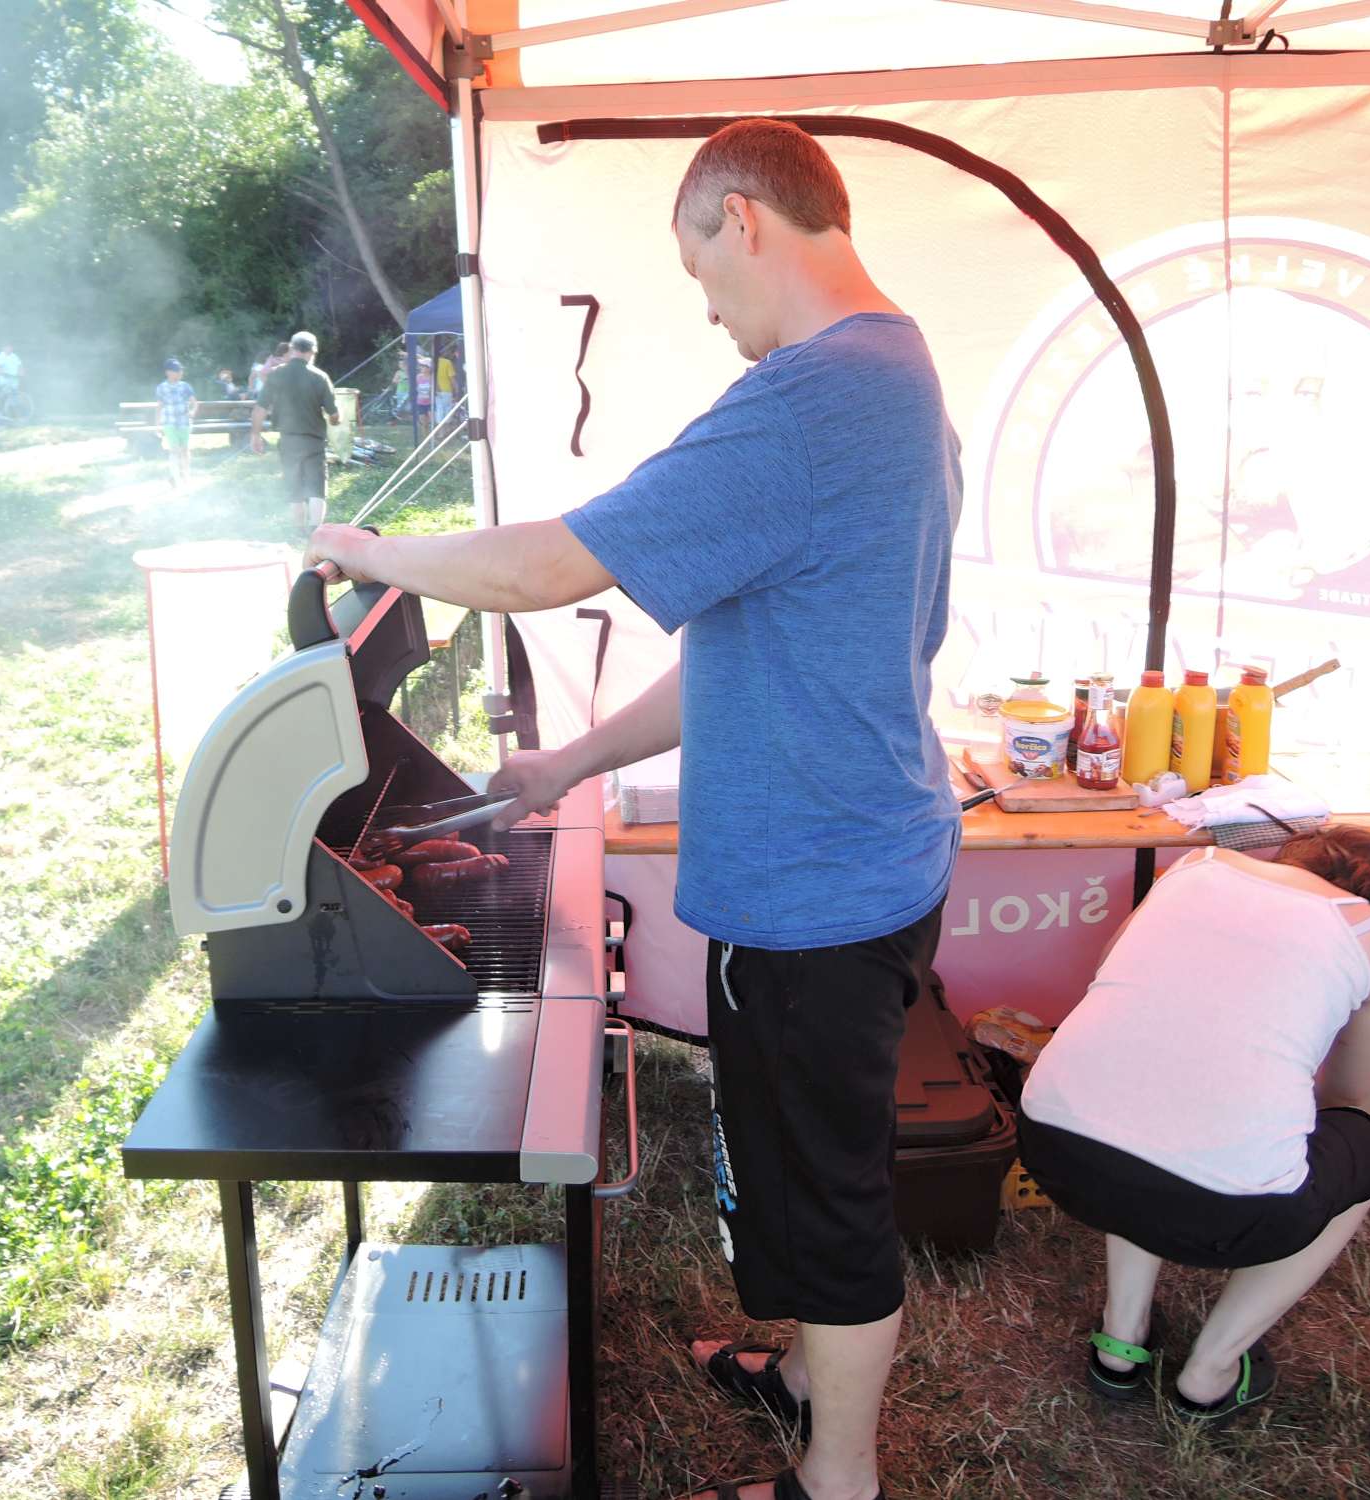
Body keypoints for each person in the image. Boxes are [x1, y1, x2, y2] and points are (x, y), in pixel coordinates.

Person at [303, 118, 960, 1500]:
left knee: (832, 1198)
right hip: (857, 856)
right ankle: (801, 1380)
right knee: (793, 1166)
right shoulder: (898, 374)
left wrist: (373, 550)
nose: (709, 311)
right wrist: (569, 764)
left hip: (817, 889)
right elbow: (750, 649)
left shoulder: (810, 397)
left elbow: (547, 568)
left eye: (698, 272)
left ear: (743, 220)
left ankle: (836, 1480)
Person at [1017, 826, 1370, 1423]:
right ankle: (1212, 1370)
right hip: (1234, 1212)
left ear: (1289, 858)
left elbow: (1111, 976)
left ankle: (1121, 1339)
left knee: (1147, 1087)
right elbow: (1348, 1095)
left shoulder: (1195, 866)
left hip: (1054, 1148)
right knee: (1363, 1143)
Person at [251, 331, 341, 538]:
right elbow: (334, 414)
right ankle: (315, 532)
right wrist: (336, 420)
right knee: (316, 487)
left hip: (288, 440)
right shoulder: (319, 377)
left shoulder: (276, 375)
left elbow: (260, 408)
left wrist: (255, 435)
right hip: (313, 441)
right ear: (312, 352)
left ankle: (298, 530)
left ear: (292, 349)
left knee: (294, 486)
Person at [154, 357, 198, 490]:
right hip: (169, 423)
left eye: (180, 370)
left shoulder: (185, 386)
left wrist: (193, 411)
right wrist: (157, 425)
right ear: (168, 372)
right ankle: (175, 478)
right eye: (176, 370)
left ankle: (186, 475)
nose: (180, 373)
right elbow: (159, 406)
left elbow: (195, 403)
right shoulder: (161, 387)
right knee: (174, 450)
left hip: (184, 422)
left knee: (184, 450)